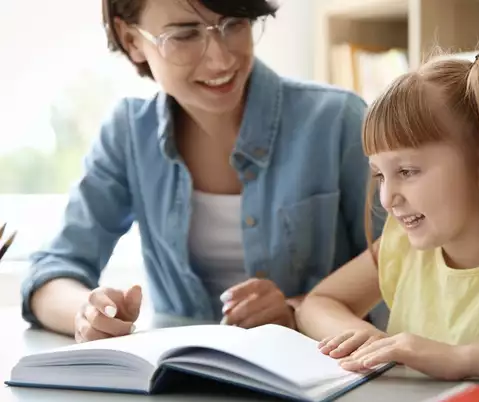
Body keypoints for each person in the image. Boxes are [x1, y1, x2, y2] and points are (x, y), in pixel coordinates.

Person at [21, 0, 383, 343]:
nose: (220, 58)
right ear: (132, 40)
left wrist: (296, 312)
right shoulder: (129, 134)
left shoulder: (338, 121)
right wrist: (88, 314)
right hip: (179, 382)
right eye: (184, 35)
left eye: (234, 23)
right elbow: (53, 270)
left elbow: (407, 271)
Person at [295, 52, 479, 383]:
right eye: (380, 175)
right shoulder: (401, 249)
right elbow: (318, 303)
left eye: (407, 171)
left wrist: (461, 359)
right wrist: (365, 337)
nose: (387, 198)